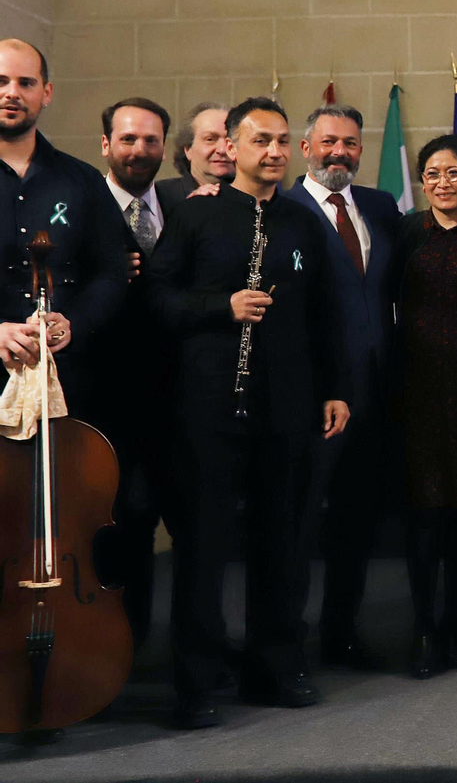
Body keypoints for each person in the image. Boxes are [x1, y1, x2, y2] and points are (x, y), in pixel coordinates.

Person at [147, 97, 350, 729]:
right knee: (203, 549)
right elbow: (157, 299)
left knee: (281, 543)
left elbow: (325, 312)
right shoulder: (195, 215)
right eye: (261, 140)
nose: (275, 151)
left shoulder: (301, 222)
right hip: (208, 408)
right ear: (231, 148)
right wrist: (221, 307)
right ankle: (196, 684)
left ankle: (275, 669)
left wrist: (335, 388)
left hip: (285, 407)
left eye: (283, 141)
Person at [283, 104, 402, 671]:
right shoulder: (283, 209)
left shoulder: (380, 207)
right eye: (329, 141)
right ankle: (284, 643)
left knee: (357, 521)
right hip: (312, 396)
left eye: (351, 143)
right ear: (306, 148)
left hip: (374, 392)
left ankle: (341, 633)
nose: (340, 152)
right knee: (300, 523)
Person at [87, 97, 186, 649]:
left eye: (150, 140)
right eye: (127, 139)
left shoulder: (181, 202)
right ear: (106, 144)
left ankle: (148, 645)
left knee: (166, 520)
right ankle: (109, 648)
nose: (139, 150)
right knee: (116, 521)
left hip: (176, 394)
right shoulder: (83, 204)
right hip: (103, 395)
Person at [395, 135, 457, 679]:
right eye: (432, 174)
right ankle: (422, 627)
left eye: (454, 172)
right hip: (416, 394)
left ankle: (456, 622)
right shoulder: (405, 232)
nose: (442, 182)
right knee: (423, 515)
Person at [0, 40, 127, 400]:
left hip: (66, 377)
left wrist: (75, 322)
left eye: (26, 83)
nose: (12, 93)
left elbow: (111, 272)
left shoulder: (82, 180)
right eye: (1, 81)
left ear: (47, 93)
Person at [157, 100, 235, 198]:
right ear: (188, 149)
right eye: (210, 139)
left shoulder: (251, 197)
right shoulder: (160, 196)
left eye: (231, 140)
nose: (222, 150)